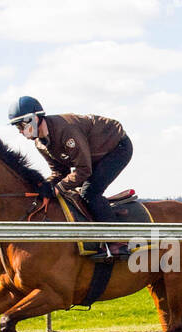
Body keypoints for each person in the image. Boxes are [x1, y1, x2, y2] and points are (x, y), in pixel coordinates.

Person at [8, 96, 134, 257]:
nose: (19, 131)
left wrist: (59, 187)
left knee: (90, 192)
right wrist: (45, 185)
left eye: (21, 125)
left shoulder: (67, 132)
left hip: (117, 147)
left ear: (34, 119)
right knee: (77, 192)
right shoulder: (40, 143)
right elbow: (60, 172)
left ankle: (119, 241)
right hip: (93, 154)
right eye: (17, 127)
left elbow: (83, 170)